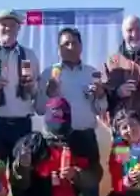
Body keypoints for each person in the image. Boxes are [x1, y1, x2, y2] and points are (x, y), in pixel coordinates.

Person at [11, 98, 101, 196]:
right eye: (55, 115)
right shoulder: (32, 144)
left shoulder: (82, 142)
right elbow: (19, 184)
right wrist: (22, 167)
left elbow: (96, 176)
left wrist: (77, 174)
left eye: (62, 114)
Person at [39, 27, 108, 178]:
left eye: (74, 43)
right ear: (58, 49)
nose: (70, 47)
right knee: (57, 188)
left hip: (85, 138)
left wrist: (100, 95)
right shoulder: (48, 73)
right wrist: (48, 94)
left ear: (81, 46)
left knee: (89, 187)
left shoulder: (92, 73)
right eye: (66, 44)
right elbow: (39, 109)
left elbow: (101, 109)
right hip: (56, 141)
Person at [0, 9, 42, 163]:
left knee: (22, 171)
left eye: (12, 25)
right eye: (3, 24)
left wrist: (31, 87)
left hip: (22, 123)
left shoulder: (29, 55)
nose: (8, 28)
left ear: (19, 29)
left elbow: (37, 91)